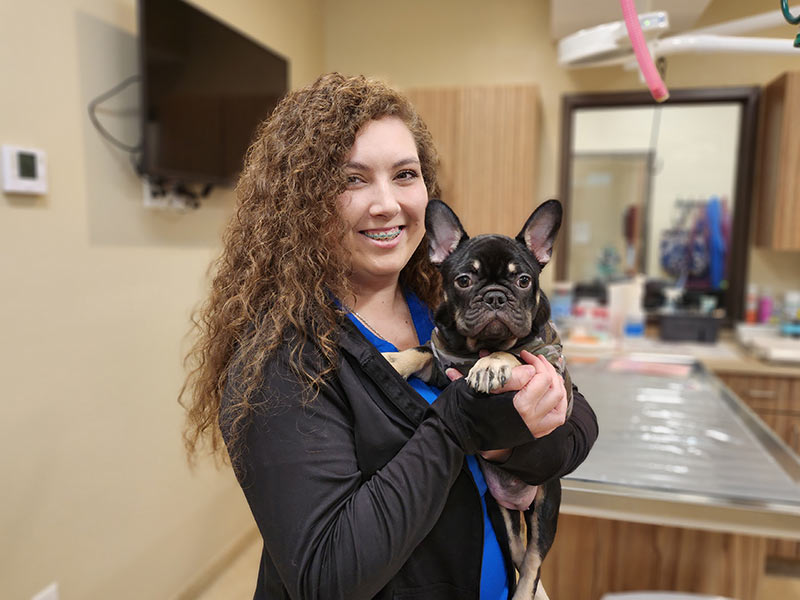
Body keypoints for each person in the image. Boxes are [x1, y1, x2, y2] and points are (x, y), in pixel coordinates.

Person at [181, 72, 598, 600]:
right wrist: (462, 424)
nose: (387, 204)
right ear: (302, 201)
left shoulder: (446, 306)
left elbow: (577, 424)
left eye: (405, 174)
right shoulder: (284, 364)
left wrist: (509, 449)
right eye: (351, 180)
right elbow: (330, 576)